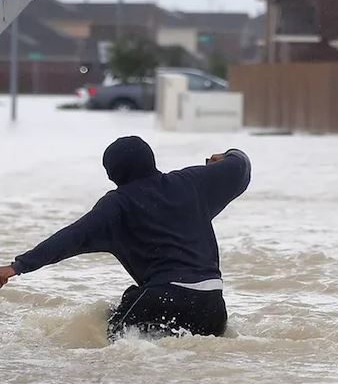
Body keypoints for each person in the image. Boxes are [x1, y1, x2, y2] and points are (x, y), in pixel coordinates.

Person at [0, 136, 251, 340]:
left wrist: (17, 267)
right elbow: (241, 165)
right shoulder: (191, 183)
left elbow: (71, 237)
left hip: (163, 299)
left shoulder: (117, 206)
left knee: (108, 340)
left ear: (112, 175)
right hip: (213, 308)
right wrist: (227, 154)